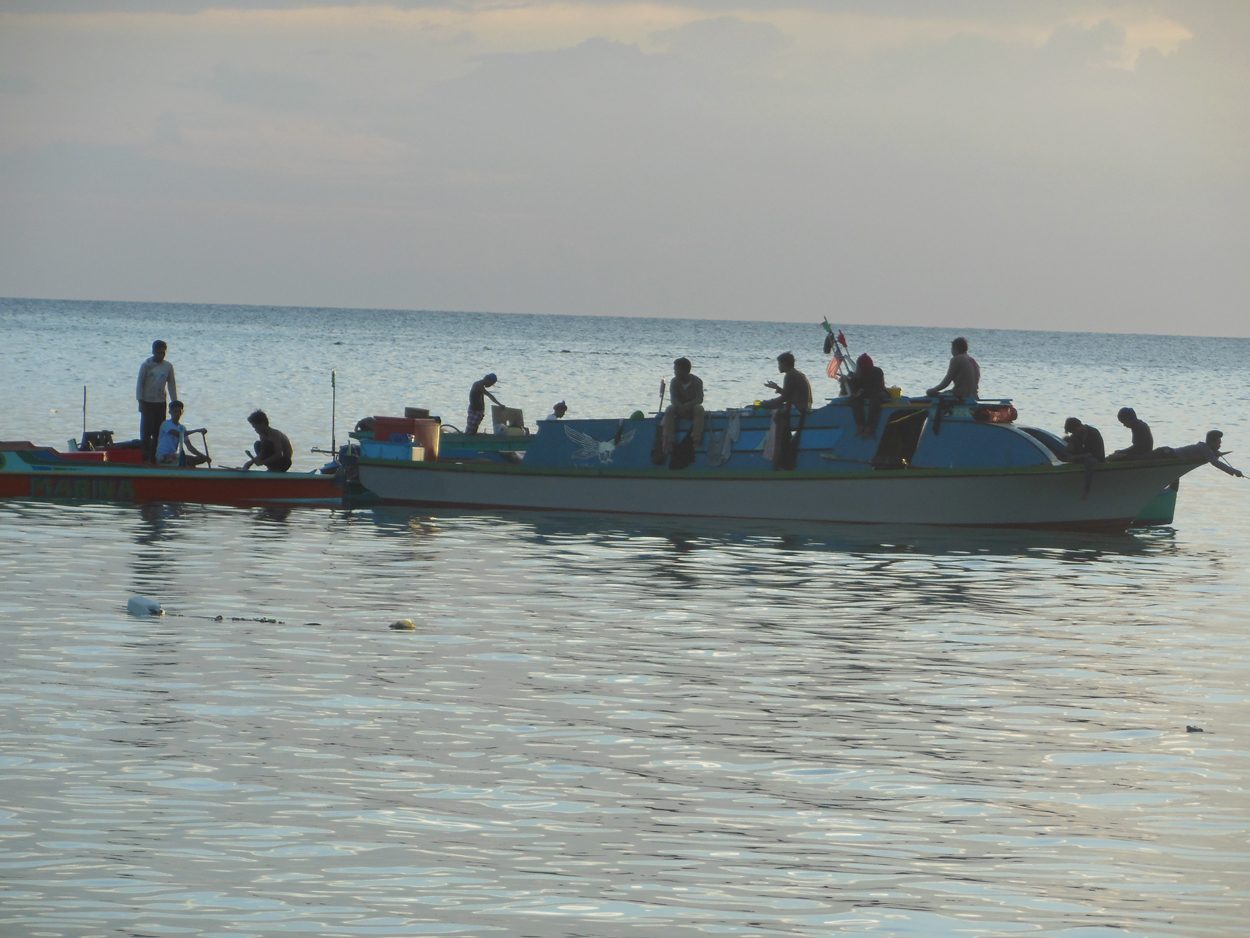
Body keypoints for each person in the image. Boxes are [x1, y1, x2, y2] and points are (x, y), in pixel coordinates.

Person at [762, 352, 812, 470]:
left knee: (773, 410)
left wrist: (766, 403)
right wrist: (778, 388)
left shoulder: (790, 375)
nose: (779, 367)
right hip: (802, 406)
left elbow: (784, 398)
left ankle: (777, 461)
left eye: (779, 364)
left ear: (785, 364)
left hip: (799, 408)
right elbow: (789, 394)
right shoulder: (797, 374)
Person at [137, 340, 178, 463]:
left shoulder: (168, 366)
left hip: (161, 402)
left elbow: (171, 384)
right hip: (147, 402)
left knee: (158, 432)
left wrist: (174, 402)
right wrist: (140, 401)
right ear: (154, 352)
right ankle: (146, 458)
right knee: (146, 432)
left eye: (163, 352)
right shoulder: (147, 365)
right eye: (159, 352)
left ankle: (155, 457)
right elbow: (140, 384)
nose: (161, 355)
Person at [663, 358, 706, 453]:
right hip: (678, 409)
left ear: (684, 371)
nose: (674, 372)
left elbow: (699, 399)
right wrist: (680, 407)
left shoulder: (697, 381)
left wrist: (688, 405)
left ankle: (696, 438)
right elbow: (673, 399)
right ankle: (670, 439)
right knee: (669, 409)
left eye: (676, 370)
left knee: (699, 409)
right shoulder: (674, 382)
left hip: (692, 409)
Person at [155, 401, 209, 467]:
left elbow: (189, 447)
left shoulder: (182, 427)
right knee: (187, 460)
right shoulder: (166, 424)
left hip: (173, 456)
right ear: (170, 412)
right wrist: (197, 431)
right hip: (162, 456)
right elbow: (178, 434)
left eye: (179, 412)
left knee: (197, 460)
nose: (178, 414)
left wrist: (203, 457)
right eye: (175, 412)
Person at [1169, 431, 1244, 478]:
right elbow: (1215, 462)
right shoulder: (1204, 448)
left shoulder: (1205, 449)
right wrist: (1234, 471)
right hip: (1167, 453)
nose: (1220, 446)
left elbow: (1211, 455)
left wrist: (1214, 453)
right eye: (1218, 443)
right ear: (1211, 442)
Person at [847, 352, 888, 439]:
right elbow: (854, 390)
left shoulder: (877, 372)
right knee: (854, 399)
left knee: (876, 399)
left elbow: (878, 387)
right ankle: (860, 425)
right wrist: (851, 381)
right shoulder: (857, 375)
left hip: (879, 393)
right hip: (865, 394)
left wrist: (864, 390)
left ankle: (870, 427)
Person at [1063, 417, 1105, 499]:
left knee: (1090, 462)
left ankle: (1086, 490)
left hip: (1097, 458)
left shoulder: (1093, 433)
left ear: (1078, 427)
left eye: (1074, 431)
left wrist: (1076, 457)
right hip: (1084, 458)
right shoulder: (1075, 436)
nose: (1074, 434)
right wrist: (1069, 450)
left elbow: (1095, 453)